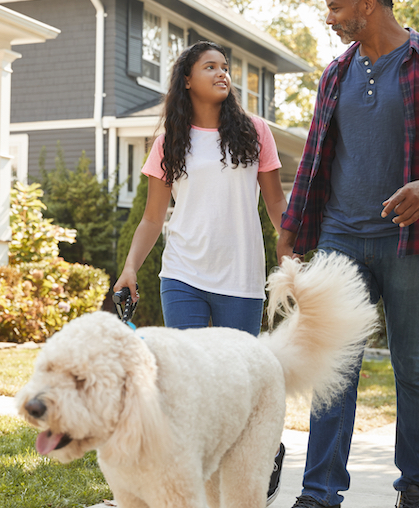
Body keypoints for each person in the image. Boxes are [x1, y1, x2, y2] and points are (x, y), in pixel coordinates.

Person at [277, 0, 419, 508]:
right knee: (334, 365)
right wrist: (293, 228)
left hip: (411, 242)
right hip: (342, 238)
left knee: (414, 368)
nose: (331, 19)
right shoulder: (335, 74)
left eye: (336, 7)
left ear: (368, 3)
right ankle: (319, 494)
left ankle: (416, 488)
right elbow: (317, 157)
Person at [114, 39, 289, 505]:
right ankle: (191, 479)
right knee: (185, 381)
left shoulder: (254, 131)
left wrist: (288, 247)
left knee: (241, 382)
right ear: (187, 79)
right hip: (183, 273)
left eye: (225, 67)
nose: (222, 73)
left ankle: (265, 450)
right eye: (210, 66)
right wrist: (131, 268)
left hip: (241, 276)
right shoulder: (170, 141)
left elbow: (275, 202)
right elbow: (153, 217)